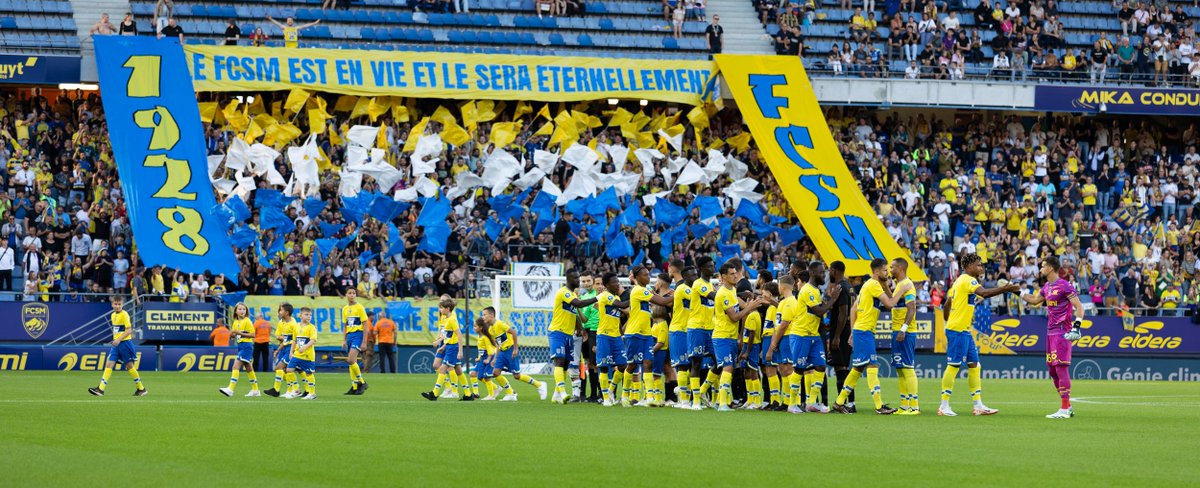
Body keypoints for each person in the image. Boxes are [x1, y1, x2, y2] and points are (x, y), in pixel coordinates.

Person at [939, 253, 1019, 416]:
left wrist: (948, 319)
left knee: (975, 365)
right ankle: (943, 405)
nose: (980, 267)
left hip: (962, 329)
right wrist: (1005, 288)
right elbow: (984, 294)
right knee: (953, 366)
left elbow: (947, 303)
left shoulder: (959, 281)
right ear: (968, 266)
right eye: (978, 265)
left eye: (981, 265)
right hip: (957, 330)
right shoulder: (969, 280)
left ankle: (978, 405)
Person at [1019, 256, 1084, 419]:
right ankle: (1067, 407)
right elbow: (1034, 300)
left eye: (1043, 266)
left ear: (1051, 268)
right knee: (1053, 370)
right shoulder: (1047, 286)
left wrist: (1077, 327)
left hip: (1062, 332)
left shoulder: (1065, 286)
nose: (1040, 269)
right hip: (1050, 332)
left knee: (1061, 368)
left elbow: (1079, 306)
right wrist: (1016, 291)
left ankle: (1063, 409)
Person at [712, 262, 767, 412]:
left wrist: (756, 302)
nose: (735, 275)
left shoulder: (732, 290)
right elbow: (735, 317)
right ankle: (722, 403)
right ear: (723, 276)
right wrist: (749, 307)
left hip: (730, 336)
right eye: (731, 273)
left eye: (736, 273)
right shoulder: (723, 293)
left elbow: (742, 306)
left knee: (726, 367)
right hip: (722, 336)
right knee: (728, 367)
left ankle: (711, 395)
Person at [622, 266, 675, 407]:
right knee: (632, 365)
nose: (648, 277)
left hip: (646, 333)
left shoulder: (645, 290)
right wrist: (680, 293)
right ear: (637, 277)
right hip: (634, 333)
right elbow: (663, 302)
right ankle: (625, 394)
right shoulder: (639, 290)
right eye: (645, 275)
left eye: (648, 275)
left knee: (648, 363)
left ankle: (650, 397)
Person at [548, 272, 599, 404]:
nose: (579, 281)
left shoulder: (571, 294)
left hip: (568, 334)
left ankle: (556, 394)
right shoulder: (564, 292)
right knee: (559, 361)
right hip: (557, 331)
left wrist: (580, 329)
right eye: (576, 278)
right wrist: (598, 298)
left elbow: (574, 313)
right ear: (568, 279)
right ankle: (563, 392)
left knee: (565, 364)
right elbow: (579, 304)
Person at [483, 306, 547, 401]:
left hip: (510, 350)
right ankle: (510, 393)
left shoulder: (500, 324)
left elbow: (513, 332)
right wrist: (495, 358)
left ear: (491, 315)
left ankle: (539, 385)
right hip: (502, 352)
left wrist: (515, 349)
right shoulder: (490, 329)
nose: (483, 317)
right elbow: (498, 344)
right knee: (495, 373)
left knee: (517, 376)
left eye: (484, 314)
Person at [88, 295, 147, 396]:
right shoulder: (112, 315)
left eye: (119, 304)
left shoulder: (124, 315)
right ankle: (100, 389)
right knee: (109, 364)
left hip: (125, 344)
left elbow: (129, 330)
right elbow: (118, 330)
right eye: (115, 304)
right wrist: (116, 339)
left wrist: (118, 339)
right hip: (116, 344)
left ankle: (141, 388)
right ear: (112, 304)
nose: (117, 306)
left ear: (122, 304)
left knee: (130, 366)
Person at [687, 256, 720, 410]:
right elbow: (714, 297)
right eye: (709, 266)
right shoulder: (699, 284)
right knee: (697, 362)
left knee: (719, 361)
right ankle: (695, 401)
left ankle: (702, 391)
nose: (712, 268)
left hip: (710, 329)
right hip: (697, 327)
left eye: (713, 265)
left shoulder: (710, 285)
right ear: (702, 269)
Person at [889, 258, 921, 415]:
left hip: (905, 332)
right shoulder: (900, 286)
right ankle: (904, 405)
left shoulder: (908, 285)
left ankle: (914, 406)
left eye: (892, 267)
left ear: (900, 268)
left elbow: (911, 308)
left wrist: (903, 329)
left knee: (908, 368)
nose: (890, 269)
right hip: (897, 331)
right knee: (900, 370)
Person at [421, 298, 470, 401]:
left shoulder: (452, 319)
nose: (440, 310)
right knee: (458, 369)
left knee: (443, 369)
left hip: (453, 347)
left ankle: (434, 393)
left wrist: (460, 351)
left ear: (448, 308)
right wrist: (442, 345)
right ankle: (468, 394)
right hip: (448, 346)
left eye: (442, 308)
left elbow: (459, 335)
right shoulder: (446, 318)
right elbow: (448, 335)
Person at [594, 272, 628, 406]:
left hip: (616, 337)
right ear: (607, 284)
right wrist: (638, 297)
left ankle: (611, 389)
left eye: (618, 281)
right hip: (604, 335)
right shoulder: (605, 295)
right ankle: (606, 398)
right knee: (604, 367)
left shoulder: (615, 297)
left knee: (622, 365)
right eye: (615, 282)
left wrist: (620, 333)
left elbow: (616, 317)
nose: (617, 284)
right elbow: (623, 305)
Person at [825, 261, 853, 408]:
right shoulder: (849, 286)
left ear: (835, 270)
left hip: (841, 332)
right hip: (844, 329)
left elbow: (843, 313)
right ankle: (849, 403)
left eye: (830, 270)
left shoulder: (841, 288)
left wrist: (836, 336)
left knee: (840, 368)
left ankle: (844, 403)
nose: (829, 273)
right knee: (842, 367)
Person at [668, 263, 696, 408]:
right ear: (685, 277)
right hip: (679, 331)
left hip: (689, 330)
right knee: (683, 365)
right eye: (693, 275)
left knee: (690, 365)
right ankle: (684, 400)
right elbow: (698, 297)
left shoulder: (689, 289)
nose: (696, 277)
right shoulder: (683, 288)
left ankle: (686, 397)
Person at [219, 303, 261, 397]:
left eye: (244, 309)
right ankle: (255, 390)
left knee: (235, 367)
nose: (242, 311)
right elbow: (234, 335)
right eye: (240, 309)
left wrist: (239, 333)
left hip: (246, 345)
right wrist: (232, 335)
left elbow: (253, 335)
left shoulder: (247, 321)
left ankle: (230, 389)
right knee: (249, 368)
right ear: (236, 311)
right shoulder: (235, 322)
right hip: (240, 345)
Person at [264, 303, 299, 398]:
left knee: (278, 368)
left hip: (290, 349)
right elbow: (278, 336)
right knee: (284, 370)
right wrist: (278, 349)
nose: (279, 312)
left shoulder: (293, 324)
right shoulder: (281, 322)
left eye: (281, 310)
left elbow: (295, 339)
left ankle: (277, 389)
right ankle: (290, 390)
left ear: (287, 313)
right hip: (284, 348)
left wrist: (292, 350)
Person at [284, 307, 318, 400]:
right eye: (306, 314)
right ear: (300, 315)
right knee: (289, 370)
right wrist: (291, 351)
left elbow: (313, 340)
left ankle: (312, 393)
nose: (309, 316)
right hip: (297, 354)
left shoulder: (312, 327)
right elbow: (294, 340)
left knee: (308, 374)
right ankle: (296, 390)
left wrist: (305, 347)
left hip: (308, 356)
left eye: (310, 315)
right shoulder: (297, 326)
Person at [341, 288, 369, 395]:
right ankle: (354, 386)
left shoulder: (360, 307)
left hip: (358, 334)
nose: (352, 295)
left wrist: (364, 342)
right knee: (352, 363)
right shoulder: (345, 309)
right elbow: (345, 325)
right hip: (350, 336)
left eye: (354, 293)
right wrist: (344, 339)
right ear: (346, 295)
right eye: (350, 293)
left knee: (351, 359)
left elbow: (365, 325)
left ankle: (362, 382)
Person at [470, 318, 499, 400]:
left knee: (486, 377)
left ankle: (491, 395)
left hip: (488, 358)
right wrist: (479, 358)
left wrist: (488, 359)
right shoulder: (480, 337)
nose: (474, 328)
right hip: (483, 358)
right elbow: (482, 350)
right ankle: (495, 388)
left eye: (475, 326)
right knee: (475, 375)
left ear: (481, 327)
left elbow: (490, 351)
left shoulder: (485, 338)